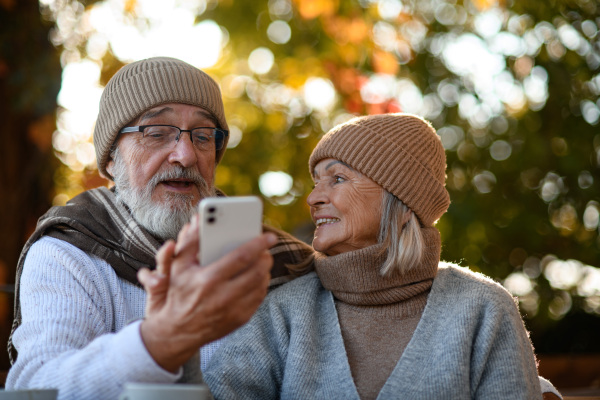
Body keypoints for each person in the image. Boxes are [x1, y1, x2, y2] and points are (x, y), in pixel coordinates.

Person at [6, 57, 312, 399]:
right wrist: (159, 342)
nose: (185, 155)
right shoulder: (70, 252)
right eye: (156, 133)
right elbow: (38, 388)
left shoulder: (280, 263)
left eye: (203, 136)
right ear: (110, 159)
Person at [196, 113, 562, 399]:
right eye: (316, 182)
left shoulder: (483, 309)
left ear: (399, 197)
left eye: (337, 179)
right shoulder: (284, 311)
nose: (313, 198)